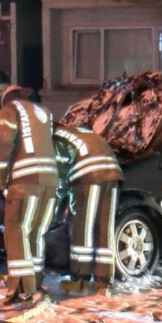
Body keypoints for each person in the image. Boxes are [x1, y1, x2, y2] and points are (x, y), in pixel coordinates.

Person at [0, 85, 59, 312]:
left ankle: (21, 292)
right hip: (50, 182)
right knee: (36, 234)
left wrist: (0, 178)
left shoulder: (11, 110)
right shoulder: (44, 113)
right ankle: (36, 285)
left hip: (25, 181)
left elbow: (2, 143)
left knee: (16, 230)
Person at [53, 123, 123, 296]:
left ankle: (80, 280)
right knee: (104, 227)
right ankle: (103, 283)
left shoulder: (56, 137)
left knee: (82, 226)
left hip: (88, 175)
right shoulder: (79, 131)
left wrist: (58, 197)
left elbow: (61, 171)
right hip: (112, 172)